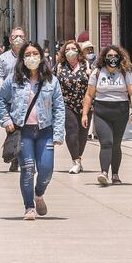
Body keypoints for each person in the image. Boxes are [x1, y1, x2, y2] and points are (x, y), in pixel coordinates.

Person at [0, 41, 65, 220]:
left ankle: (38, 193)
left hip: (45, 131)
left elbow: (59, 108)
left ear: (41, 57)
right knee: (27, 169)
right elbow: (0, 100)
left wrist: (58, 133)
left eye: (35, 54)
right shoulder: (14, 79)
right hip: (23, 131)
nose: (31, 57)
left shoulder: (51, 81)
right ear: (22, 58)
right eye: (27, 55)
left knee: (46, 169)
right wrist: (6, 120)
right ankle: (29, 207)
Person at [81, 45, 132, 186]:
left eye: (115, 56)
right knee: (106, 143)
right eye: (109, 56)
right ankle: (104, 173)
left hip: (120, 111)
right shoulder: (97, 72)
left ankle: (115, 174)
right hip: (102, 111)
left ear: (120, 58)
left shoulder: (125, 72)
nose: (113, 59)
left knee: (116, 144)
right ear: (104, 58)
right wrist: (85, 114)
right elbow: (89, 94)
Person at [55, 40, 90, 174]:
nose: (70, 51)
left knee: (83, 134)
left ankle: (78, 158)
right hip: (66, 104)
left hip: (85, 104)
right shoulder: (59, 66)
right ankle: (75, 160)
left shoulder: (86, 65)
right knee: (72, 131)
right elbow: (51, 82)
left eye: (73, 49)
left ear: (78, 51)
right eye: (67, 49)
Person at [0, 27, 27, 172]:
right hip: (9, 101)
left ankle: (23, 158)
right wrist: (5, 88)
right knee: (12, 129)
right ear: (10, 40)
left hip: (26, 100)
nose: (18, 39)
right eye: (15, 36)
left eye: (21, 36)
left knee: (26, 130)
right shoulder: (3, 58)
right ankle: (14, 157)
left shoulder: (30, 55)